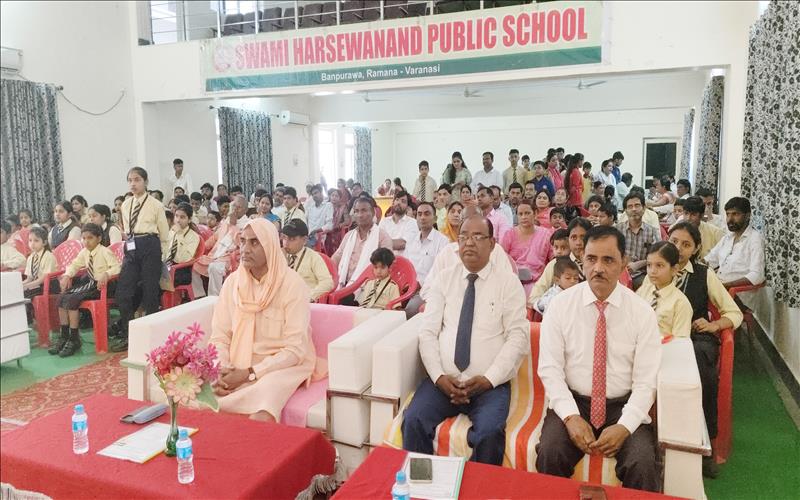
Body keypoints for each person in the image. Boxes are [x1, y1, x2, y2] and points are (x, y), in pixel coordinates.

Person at [537, 225, 661, 491]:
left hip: (622, 405)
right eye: (591, 259)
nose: (598, 268)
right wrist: (570, 417)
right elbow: (550, 370)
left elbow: (646, 382)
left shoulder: (641, 313)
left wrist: (625, 426)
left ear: (624, 263)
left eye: (608, 260)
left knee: (643, 463)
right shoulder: (560, 306)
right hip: (575, 401)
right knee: (550, 452)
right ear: (581, 259)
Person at [402, 215, 529, 465]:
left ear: (492, 244)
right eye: (464, 236)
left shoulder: (508, 283)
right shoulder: (444, 278)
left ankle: (477, 486)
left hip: (488, 385)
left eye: (478, 236)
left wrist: (489, 379)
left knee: (489, 433)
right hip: (444, 381)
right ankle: (424, 484)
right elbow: (428, 332)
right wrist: (439, 376)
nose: (469, 242)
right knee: (413, 420)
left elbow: (518, 337)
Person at [210, 219, 317, 422]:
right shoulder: (233, 283)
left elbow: (295, 350)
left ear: (270, 246)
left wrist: (250, 373)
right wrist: (220, 369)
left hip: (280, 366)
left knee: (263, 408)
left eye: (254, 242)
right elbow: (220, 336)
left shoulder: (292, 285)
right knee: (194, 396)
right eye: (242, 241)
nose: (245, 249)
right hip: (236, 364)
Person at [667, 222, 742, 477]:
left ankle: (705, 444)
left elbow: (733, 312)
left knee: (701, 369)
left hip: (695, 337)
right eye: (674, 241)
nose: (678, 248)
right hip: (662, 336)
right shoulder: (656, 267)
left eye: (686, 244)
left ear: (696, 248)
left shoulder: (703, 273)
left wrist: (714, 325)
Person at [109, 167, 170, 352]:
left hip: (150, 244)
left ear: (145, 182)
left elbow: (164, 233)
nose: (133, 184)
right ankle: (129, 335)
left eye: (137, 180)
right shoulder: (126, 204)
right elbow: (127, 229)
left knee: (150, 291)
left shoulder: (155, 204)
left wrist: (162, 256)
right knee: (123, 292)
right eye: (130, 180)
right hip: (131, 245)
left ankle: (153, 337)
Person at [55, 224, 121, 357]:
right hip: (90, 284)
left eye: (90, 238)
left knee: (72, 300)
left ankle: (74, 338)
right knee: (61, 298)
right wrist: (67, 275)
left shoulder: (105, 251)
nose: (86, 241)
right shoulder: (84, 252)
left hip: (103, 287)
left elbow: (117, 267)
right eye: (84, 238)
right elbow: (74, 265)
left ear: (99, 238)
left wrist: (107, 274)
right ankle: (64, 335)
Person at [192, 195, 249, 298]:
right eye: (234, 206)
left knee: (215, 268)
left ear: (245, 210)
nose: (235, 209)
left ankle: (215, 298)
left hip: (231, 257)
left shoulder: (247, 224)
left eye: (239, 207)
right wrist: (201, 247)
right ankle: (199, 295)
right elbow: (215, 237)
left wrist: (233, 225)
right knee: (194, 264)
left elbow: (241, 243)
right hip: (216, 254)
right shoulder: (226, 221)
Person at [527, 217, 592, 306]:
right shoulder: (556, 264)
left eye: (583, 237)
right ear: (568, 240)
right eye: (574, 237)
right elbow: (535, 297)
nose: (578, 243)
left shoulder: (597, 264)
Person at [332, 197, 393, 288]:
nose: (360, 215)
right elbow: (337, 256)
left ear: (373, 213)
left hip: (369, 286)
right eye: (356, 211)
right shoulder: (349, 235)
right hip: (343, 283)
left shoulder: (382, 236)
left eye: (364, 210)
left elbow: (387, 264)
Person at [704, 197, 765, 288]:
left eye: (735, 214)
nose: (730, 219)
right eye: (728, 214)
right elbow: (710, 260)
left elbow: (757, 276)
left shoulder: (755, 239)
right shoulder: (727, 238)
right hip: (719, 287)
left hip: (738, 293)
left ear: (747, 215)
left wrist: (725, 286)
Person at [636, 241, 692, 338]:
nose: (652, 271)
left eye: (659, 265)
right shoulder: (643, 291)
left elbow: (680, 341)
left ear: (674, 269)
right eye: (649, 265)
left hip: (665, 346)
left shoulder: (681, 303)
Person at [501, 200, 553, 286]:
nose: (524, 217)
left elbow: (553, 260)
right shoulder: (509, 234)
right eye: (520, 214)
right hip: (512, 282)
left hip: (538, 283)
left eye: (527, 213)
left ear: (535, 213)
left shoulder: (546, 234)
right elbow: (501, 259)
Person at [615, 192, 660, 290]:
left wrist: (639, 264)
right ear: (625, 211)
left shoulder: (652, 231)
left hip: (642, 274)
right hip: (619, 272)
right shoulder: (617, 230)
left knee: (649, 287)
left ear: (644, 208)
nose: (634, 209)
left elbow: (658, 256)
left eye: (637, 205)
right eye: (630, 206)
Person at [281, 220, 334, 302]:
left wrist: (309, 297)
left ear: (304, 240)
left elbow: (327, 283)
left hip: (304, 302)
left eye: (292, 239)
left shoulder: (313, 258)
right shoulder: (281, 256)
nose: (286, 243)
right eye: (284, 238)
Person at [160, 203, 201, 292]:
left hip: (181, 271)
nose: (178, 220)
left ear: (189, 219)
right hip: (166, 266)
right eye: (176, 216)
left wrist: (180, 235)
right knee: (143, 277)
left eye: (182, 217)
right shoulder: (172, 232)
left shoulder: (194, 237)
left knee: (153, 282)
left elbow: (183, 259)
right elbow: (165, 252)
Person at [21, 226, 57, 311]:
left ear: (44, 242)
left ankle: (29, 317)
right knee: (18, 292)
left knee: (24, 294)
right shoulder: (31, 257)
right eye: (30, 240)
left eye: (36, 240)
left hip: (49, 286)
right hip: (37, 285)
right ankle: (27, 317)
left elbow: (42, 279)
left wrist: (26, 286)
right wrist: (20, 285)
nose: (32, 244)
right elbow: (29, 278)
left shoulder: (48, 256)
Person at [677, 196, 723, 261]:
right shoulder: (676, 231)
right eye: (686, 213)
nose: (688, 218)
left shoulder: (715, 233)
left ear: (701, 215)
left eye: (693, 215)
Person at [378, 191, 418, 256]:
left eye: (403, 201)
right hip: (384, 260)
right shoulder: (384, 221)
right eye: (397, 200)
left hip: (403, 260)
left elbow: (402, 244)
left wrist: (383, 243)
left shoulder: (412, 223)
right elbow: (378, 241)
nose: (399, 203)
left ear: (407, 207)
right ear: (393, 202)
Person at [305, 184, 333, 249]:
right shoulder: (310, 207)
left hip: (318, 236)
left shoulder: (328, 205)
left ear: (321, 192)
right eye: (312, 194)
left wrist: (316, 231)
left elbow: (329, 225)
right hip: (308, 236)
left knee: (302, 246)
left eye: (316, 193)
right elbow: (305, 220)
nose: (314, 195)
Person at [324, 188, 351, 256]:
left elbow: (347, 221)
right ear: (330, 196)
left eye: (336, 196)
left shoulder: (343, 207)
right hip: (326, 230)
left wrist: (339, 225)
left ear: (339, 198)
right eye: (332, 195)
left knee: (334, 236)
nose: (334, 197)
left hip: (337, 230)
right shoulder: (325, 206)